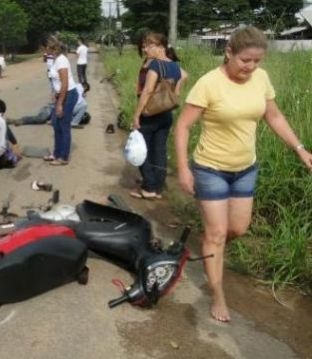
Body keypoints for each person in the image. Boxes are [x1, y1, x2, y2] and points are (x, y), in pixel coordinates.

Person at [174, 26, 312, 323]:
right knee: (218, 233)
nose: (250, 67)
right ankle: (217, 294)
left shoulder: (260, 79)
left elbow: (273, 115)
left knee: (238, 228)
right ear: (228, 53)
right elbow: (183, 126)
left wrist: (301, 149)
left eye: (256, 61)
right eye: (244, 60)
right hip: (211, 168)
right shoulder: (209, 84)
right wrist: (184, 168)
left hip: (245, 168)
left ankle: (213, 242)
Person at [130, 32, 187, 199]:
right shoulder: (175, 65)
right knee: (160, 150)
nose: (145, 48)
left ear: (161, 48)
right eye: (145, 46)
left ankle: (149, 186)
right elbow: (184, 76)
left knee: (140, 150)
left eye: (149, 46)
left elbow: (147, 91)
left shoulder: (155, 66)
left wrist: (136, 115)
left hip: (150, 114)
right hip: (166, 114)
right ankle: (158, 187)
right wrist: (176, 92)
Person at [43, 36, 78, 166]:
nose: (44, 51)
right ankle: (56, 153)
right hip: (61, 94)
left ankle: (63, 157)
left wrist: (59, 104)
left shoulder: (61, 60)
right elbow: (56, 81)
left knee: (64, 126)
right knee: (55, 124)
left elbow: (65, 83)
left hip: (68, 94)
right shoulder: (55, 59)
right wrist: (54, 93)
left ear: (51, 47)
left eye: (45, 48)